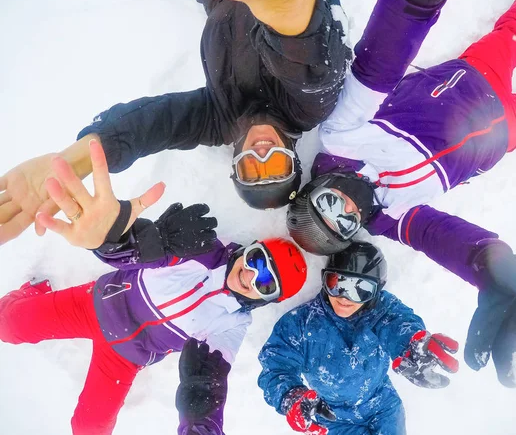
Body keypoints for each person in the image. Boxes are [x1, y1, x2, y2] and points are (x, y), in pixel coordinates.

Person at [285, 0, 516, 387]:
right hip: (495, 141)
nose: (350, 212)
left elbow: (380, 62)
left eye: (331, 206)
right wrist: (488, 266)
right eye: (347, 225)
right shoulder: (389, 216)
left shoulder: (342, 135)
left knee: (511, 35)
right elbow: (439, 238)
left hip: (472, 80)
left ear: (321, 184)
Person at [0, 0, 353, 245]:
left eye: (252, 168)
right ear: (291, 158)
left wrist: (73, 163)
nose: (261, 152)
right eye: (274, 166)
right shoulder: (305, 108)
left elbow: (151, 127)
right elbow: (309, 64)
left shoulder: (219, 120)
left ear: (236, 163)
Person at [0, 139, 308, 435]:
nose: (250, 275)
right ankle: (34, 290)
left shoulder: (231, 324)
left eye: (265, 283)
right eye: (256, 260)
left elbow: (209, 382)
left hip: (123, 358)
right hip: (92, 306)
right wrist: (133, 240)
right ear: (247, 249)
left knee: (88, 429)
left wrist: (200, 421)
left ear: (268, 299)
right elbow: (132, 253)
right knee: (6, 324)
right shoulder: (202, 250)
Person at [257, 242, 460, 435]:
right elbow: (276, 366)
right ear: (324, 280)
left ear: (376, 291)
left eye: (360, 289)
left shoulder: (381, 309)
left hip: (382, 404)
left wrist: (412, 344)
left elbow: (398, 323)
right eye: (337, 283)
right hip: (332, 416)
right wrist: (291, 396)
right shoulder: (299, 324)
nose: (345, 297)